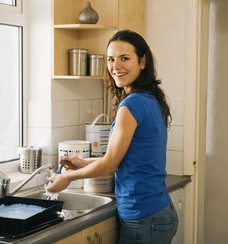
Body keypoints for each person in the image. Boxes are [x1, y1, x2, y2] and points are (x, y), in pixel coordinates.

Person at [47, 29, 178, 244]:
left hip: (143, 217)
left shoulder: (132, 105)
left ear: (142, 62)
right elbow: (125, 159)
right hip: (156, 210)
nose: (115, 67)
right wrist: (82, 163)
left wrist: (66, 178)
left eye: (124, 58)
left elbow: (110, 164)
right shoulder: (150, 99)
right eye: (111, 59)